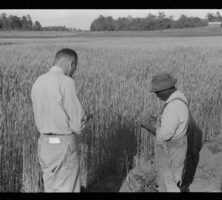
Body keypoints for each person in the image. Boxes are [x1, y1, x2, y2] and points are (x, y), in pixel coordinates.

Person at [31, 48, 90, 192]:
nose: (74, 71)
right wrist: (85, 120)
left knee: (50, 189)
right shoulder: (66, 82)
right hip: (63, 145)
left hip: (44, 144)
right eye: (75, 67)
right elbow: (77, 125)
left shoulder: (38, 82)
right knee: (68, 188)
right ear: (72, 63)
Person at [139, 73, 189, 192]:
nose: (156, 95)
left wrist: (146, 127)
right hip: (178, 144)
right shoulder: (179, 97)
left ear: (165, 90)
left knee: (170, 181)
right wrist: (158, 120)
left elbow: (164, 134)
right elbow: (174, 122)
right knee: (172, 177)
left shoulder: (173, 107)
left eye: (157, 92)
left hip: (171, 148)